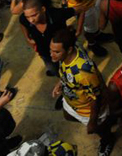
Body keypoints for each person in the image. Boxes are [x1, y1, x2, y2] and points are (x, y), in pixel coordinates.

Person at [49, 27, 113, 156]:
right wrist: (61, 82)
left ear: (69, 50)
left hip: (88, 110)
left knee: (100, 129)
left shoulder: (83, 72)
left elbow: (95, 98)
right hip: (74, 102)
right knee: (67, 115)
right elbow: (67, 71)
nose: (51, 54)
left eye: (56, 52)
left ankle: (107, 141)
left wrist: (92, 121)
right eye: (51, 50)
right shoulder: (69, 54)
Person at [18, 0, 75, 76]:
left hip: (63, 52)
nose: (31, 20)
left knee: (71, 71)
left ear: (43, 9)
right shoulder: (25, 18)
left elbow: (80, 9)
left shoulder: (57, 14)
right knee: (54, 71)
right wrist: (27, 37)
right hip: (44, 53)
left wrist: (79, 30)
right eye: (28, 17)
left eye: (34, 15)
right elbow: (22, 22)